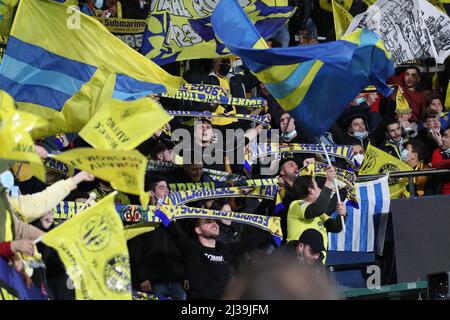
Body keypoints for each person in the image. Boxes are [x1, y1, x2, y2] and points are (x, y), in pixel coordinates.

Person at [154, 210, 275, 300]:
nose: (215, 224)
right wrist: (165, 216)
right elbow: (177, 234)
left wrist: (272, 231)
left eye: (216, 221)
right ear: (198, 230)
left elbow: (247, 243)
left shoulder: (224, 250)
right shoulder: (192, 248)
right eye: (208, 221)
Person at [128, 175, 188, 300]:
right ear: (151, 193)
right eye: (162, 188)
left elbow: (186, 247)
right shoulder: (142, 217)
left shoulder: (178, 216)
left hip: (178, 281)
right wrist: (142, 277)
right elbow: (136, 251)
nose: (167, 191)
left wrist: (187, 275)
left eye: (167, 188)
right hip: (154, 282)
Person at [286, 166, 346, 261]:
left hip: (317, 265)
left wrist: (341, 214)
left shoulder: (318, 213)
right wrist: (329, 181)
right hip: (298, 264)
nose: (320, 190)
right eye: (318, 187)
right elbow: (318, 209)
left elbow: (336, 227)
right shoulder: (296, 205)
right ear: (311, 190)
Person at [431, 127, 450, 195]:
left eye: (446, 136)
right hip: (446, 194)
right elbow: (436, 164)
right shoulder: (438, 151)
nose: (442, 139)